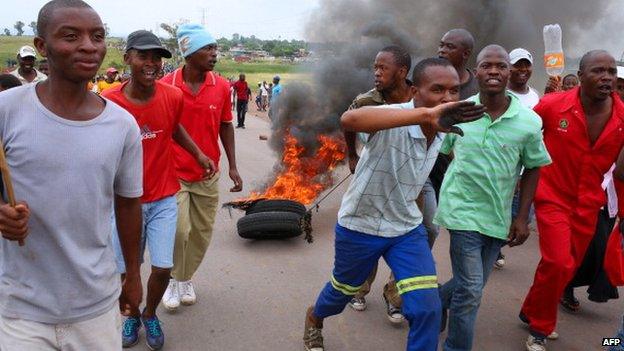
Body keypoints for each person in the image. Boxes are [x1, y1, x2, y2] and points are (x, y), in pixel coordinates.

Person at [303, 57, 486, 351]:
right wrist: (425, 117)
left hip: (405, 228)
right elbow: (349, 120)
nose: (448, 98)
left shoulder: (447, 124)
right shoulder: (395, 114)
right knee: (342, 292)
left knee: (427, 309)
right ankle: (315, 317)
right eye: (438, 89)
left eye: (454, 91)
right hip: (360, 225)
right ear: (415, 91)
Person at [0, 1, 143, 350]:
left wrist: (134, 276)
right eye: (71, 36)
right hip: (20, 310)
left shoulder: (122, 126)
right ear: (41, 46)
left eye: (97, 36)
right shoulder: (7, 110)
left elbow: (128, 205)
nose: (88, 46)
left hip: (95, 306)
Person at [102, 30, 216, 350]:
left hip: (164, 197)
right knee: (127, 271)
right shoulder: (109, 102)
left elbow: (173, 127)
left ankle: (150, 314)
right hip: (125, 204)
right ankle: (130, 318)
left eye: (157, 58)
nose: (151, 63)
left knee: (163, 267)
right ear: (127, 58)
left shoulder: (171, 96)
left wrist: (198, 153)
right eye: (143, 56)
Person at [435, 45, 552, 351]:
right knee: (472, 290)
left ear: (509, 72)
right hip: (461, 211)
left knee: (469, 285)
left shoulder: (528, 122)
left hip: (498, 215)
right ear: (477, 71)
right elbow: (442, 154)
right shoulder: (458, 112)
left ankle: (434, 302)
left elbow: (534, 167)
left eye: (501, 66)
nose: (494, 71)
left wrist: (521, 216)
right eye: (487, 66)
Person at [520, 50, 624, 351]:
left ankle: (530, 308)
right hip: (551, 196)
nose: (606, 77)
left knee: (565, 268)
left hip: (590, 204)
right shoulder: (552, 106)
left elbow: (621, 174)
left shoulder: (621, 117)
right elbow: (521, 137)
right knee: (556, 260)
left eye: (610, 72)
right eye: (598, 71)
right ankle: (540, 328)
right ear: (580, 76)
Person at [160, 23, 243, 311]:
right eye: (208, 48)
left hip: (208, 174)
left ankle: (185, 278)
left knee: (201, 232)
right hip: (174, 173)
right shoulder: (167, 85)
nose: (214, 54)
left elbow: (225, 125)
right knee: (179, 230)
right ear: (190, 52)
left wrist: (232, 166)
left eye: (214, 48)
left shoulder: (221, 86)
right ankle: (172, 278)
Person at [344, 45, 413, 321]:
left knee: (421, 233)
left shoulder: (420, 97)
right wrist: (352, 155)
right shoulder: (367, 101)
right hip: (376, 182)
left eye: (382, 68)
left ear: (402, 72)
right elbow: (347, 122)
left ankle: (395, 296)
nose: (376, 73)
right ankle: (359, 289)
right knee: (372, 237)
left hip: (411, 184)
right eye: (375, 67)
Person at [495, 47, 541, 270]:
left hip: (526, 167)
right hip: (503, 165)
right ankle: (491, 247)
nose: (522, 69)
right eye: (517, 65)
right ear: (508, 68)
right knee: (499, 213)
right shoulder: (499, 94)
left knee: (521, 217)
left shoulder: (535, 96)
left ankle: (493, 246)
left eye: (526, 65)